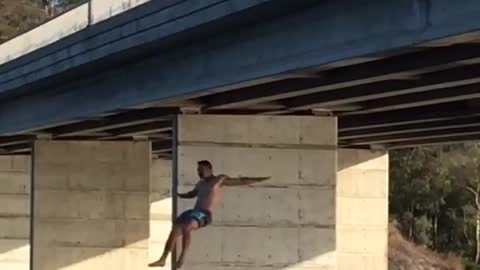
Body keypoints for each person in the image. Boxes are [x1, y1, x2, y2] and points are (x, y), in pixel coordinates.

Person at [148, 160, 270, 268]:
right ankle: (163, 259)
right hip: (193, 212)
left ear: (209, 169)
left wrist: (259, 179)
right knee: (175, 227)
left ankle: (181, 259)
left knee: (187, 226)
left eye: (201, 169)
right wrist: (180, 195)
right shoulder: (200, 184)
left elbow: (241, 181)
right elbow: (192, 194)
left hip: (205, 214)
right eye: (198, 170)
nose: (198, 172)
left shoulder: (219, 180)